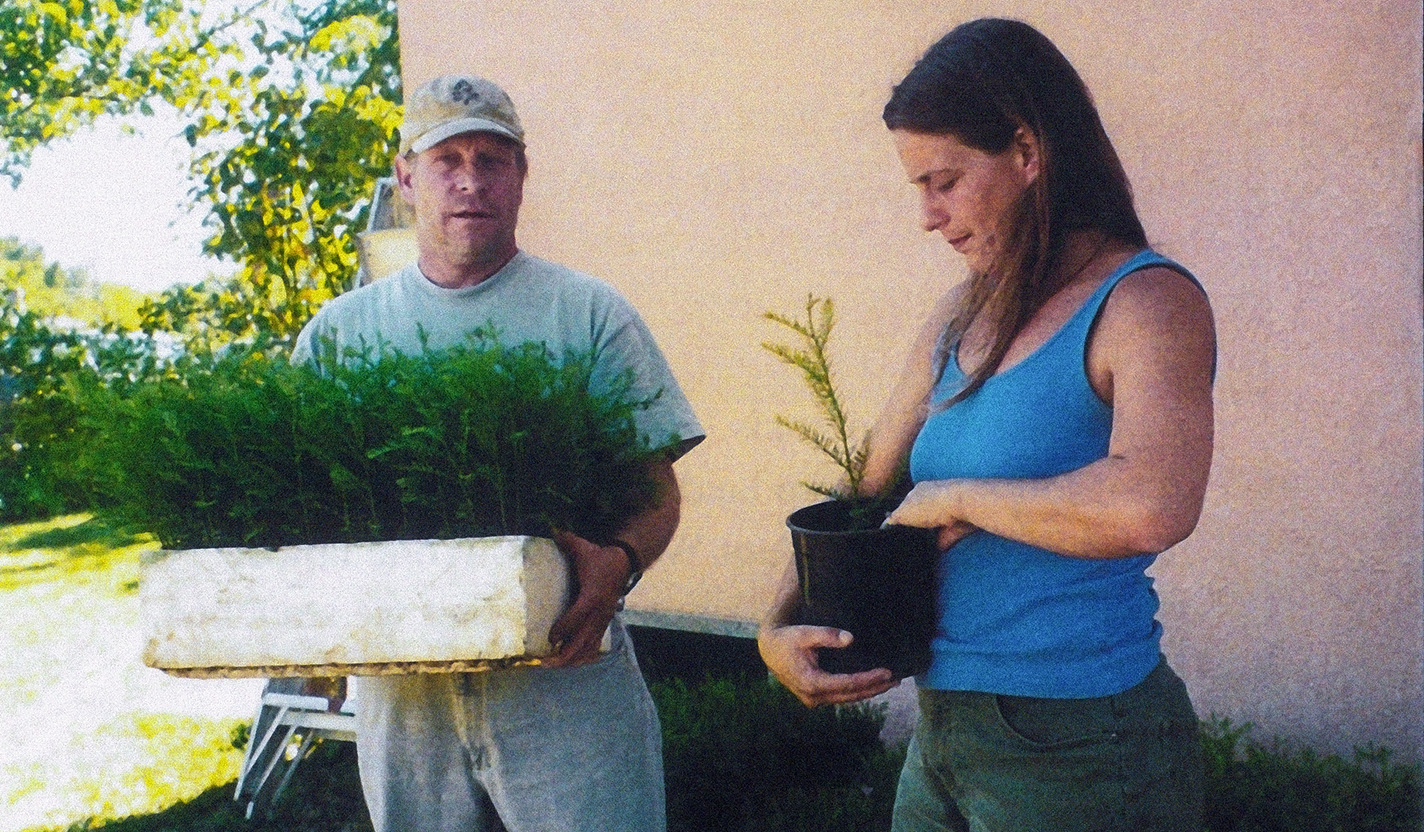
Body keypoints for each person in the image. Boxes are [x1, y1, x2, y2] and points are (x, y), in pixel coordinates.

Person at [757, 18, 1215, 832]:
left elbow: (1154, 502)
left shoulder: (1146, 304)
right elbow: (866, 491)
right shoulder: (962, 313)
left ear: (1028, 154)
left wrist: (958, 497)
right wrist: (776, 624)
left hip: (1082, 738)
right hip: (945, 731)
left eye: (945, 181)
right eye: (918, 189)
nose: (928, 216)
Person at [291, 74, 703, 832]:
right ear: (406, 178)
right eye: (448, 160)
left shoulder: (586, 314)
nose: (471, 181)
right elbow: (302, 512)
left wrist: (618, 563)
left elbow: (656, 491)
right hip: (404, 698)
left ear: (522, 174)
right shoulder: (339, 336)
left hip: (566, 680)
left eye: (493, 158)